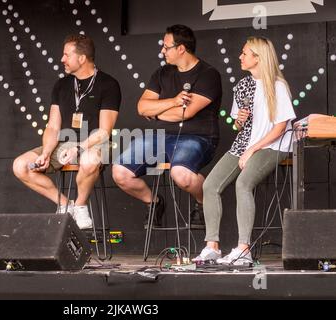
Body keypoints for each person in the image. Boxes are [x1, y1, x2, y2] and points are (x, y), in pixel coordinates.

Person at [192, 36, 296, 265]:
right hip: (244, 144)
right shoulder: (242, 85)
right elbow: (238, 125)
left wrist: (253, 150)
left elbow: (280, 127)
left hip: (271, 145)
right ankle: (212, 246)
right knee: (210, 185)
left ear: (258, 58)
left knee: (243, 184)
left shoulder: (277, 86)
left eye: (245, 53)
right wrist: (239, 121)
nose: (240, 57)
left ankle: (243, 249)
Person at [112, 24, 221, 229]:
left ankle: (203, 203)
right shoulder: (161, 73)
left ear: (181, 48)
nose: (162, 51)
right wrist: (173, 101)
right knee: (120, 172)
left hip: (198, 137)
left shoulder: (208, 74)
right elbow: (142, 107)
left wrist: (157, 112)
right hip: (161, 136)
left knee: (181, 174)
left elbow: (186, 112)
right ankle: (154, 203)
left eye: (166, 47)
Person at [13, 34, 121, 230]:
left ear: (81, 58)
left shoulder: (108, 84)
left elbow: (105, 131)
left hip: (96, 144)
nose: (62, 59)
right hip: (65, 144)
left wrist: (79, 148)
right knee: (20, 166)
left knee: (89, 159)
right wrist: (46, 153)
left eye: (66, 55)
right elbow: (53, 126)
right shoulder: (61, 85)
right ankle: (65, 204)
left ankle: (80, 206)